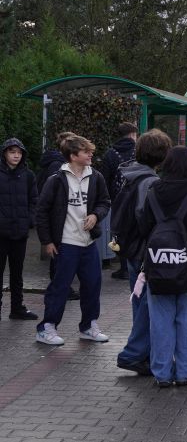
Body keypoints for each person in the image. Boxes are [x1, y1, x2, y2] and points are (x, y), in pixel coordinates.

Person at [137, 146, 187, 387]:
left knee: (160, 320)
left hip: (159, 263)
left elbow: (144, 226)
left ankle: (161, 372)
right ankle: (185, 373)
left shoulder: (153, 190)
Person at [34, 134, 112, 346]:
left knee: (93, 285)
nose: (91, 155)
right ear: (73, 155)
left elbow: (105, 202)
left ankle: (88, 326)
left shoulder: (96, 177)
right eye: (86, 151)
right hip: (65, 244)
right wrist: (47, 241)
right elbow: (42, 211)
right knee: (60, 287)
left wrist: (96, 215)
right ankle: (46, 328)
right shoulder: (56, 179)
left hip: (88, 243)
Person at [112, 128, 171, 375]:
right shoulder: (150, 182)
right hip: (144, 251)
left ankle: (142, 353)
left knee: (140, 302)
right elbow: (146, 217)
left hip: (130, 248)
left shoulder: (129, 174)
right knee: (148, 305)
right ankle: (133, 354)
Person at [37, 133, 81, 301]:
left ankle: (61, 286)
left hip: (59, 216)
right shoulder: (57, 165)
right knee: (58, 256)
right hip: (58, 217)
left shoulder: (53, 161)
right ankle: (59, 288)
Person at [1, 138, 38, 320]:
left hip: (19, 233)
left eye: (19, 152)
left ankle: (17, 308)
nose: (16, 155)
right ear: (5, 154)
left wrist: (29, 221)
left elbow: (34, 200)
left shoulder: (28, 175)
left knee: (17, 273)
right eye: (12, 152)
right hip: (1, 233)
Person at [101, 122, 138, 280]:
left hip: (117, 199)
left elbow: (105, 177)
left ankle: (123, 267)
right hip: (136, 196)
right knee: (135, 230)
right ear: (132, 135)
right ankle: (135, 263)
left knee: (119, 232)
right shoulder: (138, 151)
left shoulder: (110, 153)